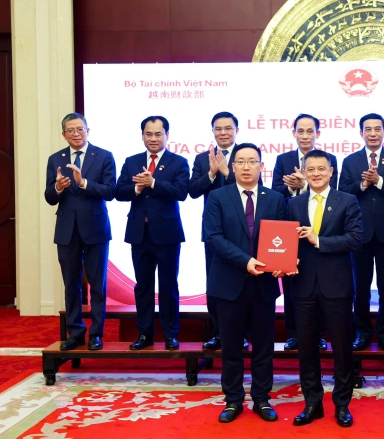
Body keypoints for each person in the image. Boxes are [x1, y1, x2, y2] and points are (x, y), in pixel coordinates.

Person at [203, 143, 293, 423]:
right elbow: (214, 237)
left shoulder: (275, 198)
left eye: (252, 161)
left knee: (264, 346)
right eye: (240, 161)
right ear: (232, 167)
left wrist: (281, 263)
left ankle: (262, 399)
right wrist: (245, 261)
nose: (246, 166)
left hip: (263, 285)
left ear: (261, 166)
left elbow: (282, 237)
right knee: (231, 347)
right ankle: (233, 400)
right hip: (228, 283)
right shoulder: (218, 197)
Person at [287, 150, 363, 428]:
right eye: (311, 169)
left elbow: (355, 239)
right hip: (303, 284)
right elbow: (285, 240)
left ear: (332, 171)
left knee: (342, 348)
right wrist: (285, 260)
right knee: (307, 348)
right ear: (304, 172)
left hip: (337, 285)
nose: (316, 173)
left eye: (322, 168)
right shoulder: (293, 203)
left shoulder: (348, 200)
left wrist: (318, 240)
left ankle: (342, 404)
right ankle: (312, 403)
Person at [114, 116, 190, 350]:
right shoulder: (132, 161)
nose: (153, 138)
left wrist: (154, 183)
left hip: (167, 234)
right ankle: (144, 334)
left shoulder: (178, 162)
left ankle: (170, 334)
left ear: (167, 135)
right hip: (139, 233)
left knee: (168, 285)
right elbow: (119, 192)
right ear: (142, 136)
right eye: (149, 134)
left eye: (158, 134)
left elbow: (181, 192)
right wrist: (137, 187)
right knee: (143, 286)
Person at [45, 112, 116, 351]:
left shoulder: (104, 156)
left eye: (80, 129)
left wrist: (83, 183)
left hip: (95, 229)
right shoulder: (55, 159)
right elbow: (49, 197)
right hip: (67, 230)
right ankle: (75, 333)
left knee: (97, 285)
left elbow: (110, 191)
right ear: (63, 134)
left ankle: (96, 334)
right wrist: (58, 187)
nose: (76, 134)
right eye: (71, 130)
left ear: (88, 131)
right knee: (71, 284)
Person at [189, 111, 258, 352]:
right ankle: (219, 333)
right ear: (213, 131)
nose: (223, 133)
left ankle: (243, 334)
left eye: (228, 128)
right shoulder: (202, 159)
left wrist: (229, 173)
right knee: (216, 284)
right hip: (214, 233)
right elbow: (192, 191)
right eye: (218, 128)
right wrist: (211, 173)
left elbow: (255, 187)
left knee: (245, 285)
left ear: (237, 130)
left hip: (245, 231)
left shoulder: (246, 155)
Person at [339, 113, 384, 353]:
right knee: (360, 287)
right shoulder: (350, 161)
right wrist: (362, 185)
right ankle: (362, 332)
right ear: (361, 133)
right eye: (368, 129)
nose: (373, 133)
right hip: (359, 233)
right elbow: (342, 192)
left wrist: (379, 181)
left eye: (377, 129)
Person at [272, 113, 338, 351]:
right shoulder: (283, 159)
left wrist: (306, 185)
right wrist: (293, 189)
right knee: (292, 284)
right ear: (293, 133)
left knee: (320, 286)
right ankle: (294, 334)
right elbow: (275, 192)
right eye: (300, 131)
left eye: (310, 131)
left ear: (318, 134)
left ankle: (319, 334)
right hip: (291, 228)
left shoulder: (329, 159)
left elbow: (333, 190)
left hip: (322, 228)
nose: (305, 135)